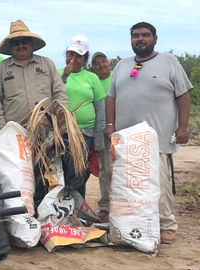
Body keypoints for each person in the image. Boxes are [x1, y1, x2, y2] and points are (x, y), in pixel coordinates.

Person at [105, 22, 193, 244]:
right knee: (127, 183)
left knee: (160, 183)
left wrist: (182, 126)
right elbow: (111, 98)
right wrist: (109, 125)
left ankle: (166, 224)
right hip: (126, 140)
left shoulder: (169, 62)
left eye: (145, 35)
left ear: (155, 38)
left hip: (158, 138)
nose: (140, 39)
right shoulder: (121, 66)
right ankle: (128, 223)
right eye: (135, 36)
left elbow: (183, 95)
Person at [0, 19, 67, 129]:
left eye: (24, 41)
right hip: (14, 131)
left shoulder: (47, 64)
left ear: (31, 43)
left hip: (47, 128)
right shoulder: (0, 69)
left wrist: (59, 120)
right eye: (16, 43)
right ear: (10, 46)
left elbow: (60, 93)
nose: (21, 45)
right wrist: (3, 126)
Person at [59, 35, 106, 199]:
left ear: (85, 59)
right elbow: (52, 97)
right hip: (62, 131)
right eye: (70, 54)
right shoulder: (57, 74)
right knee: (63, 168)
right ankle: (62, 205)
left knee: (80, 171)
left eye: (79, 56)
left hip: (86, 133)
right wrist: (64, 76)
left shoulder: (91, 78)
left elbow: (100, 108)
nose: (73, 59)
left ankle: (78, 206)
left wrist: (99, 137)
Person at [90, 51, 113, 223]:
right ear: (93, 68)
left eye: (104, 61)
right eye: (97, 63)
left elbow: (136, 72)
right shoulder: (94, 81)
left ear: (110, 63)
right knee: (106, 169)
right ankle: (105, 206)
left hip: (124, 129)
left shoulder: (119, 76)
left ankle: (124, 204)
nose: (101, 65)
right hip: (104, 131)